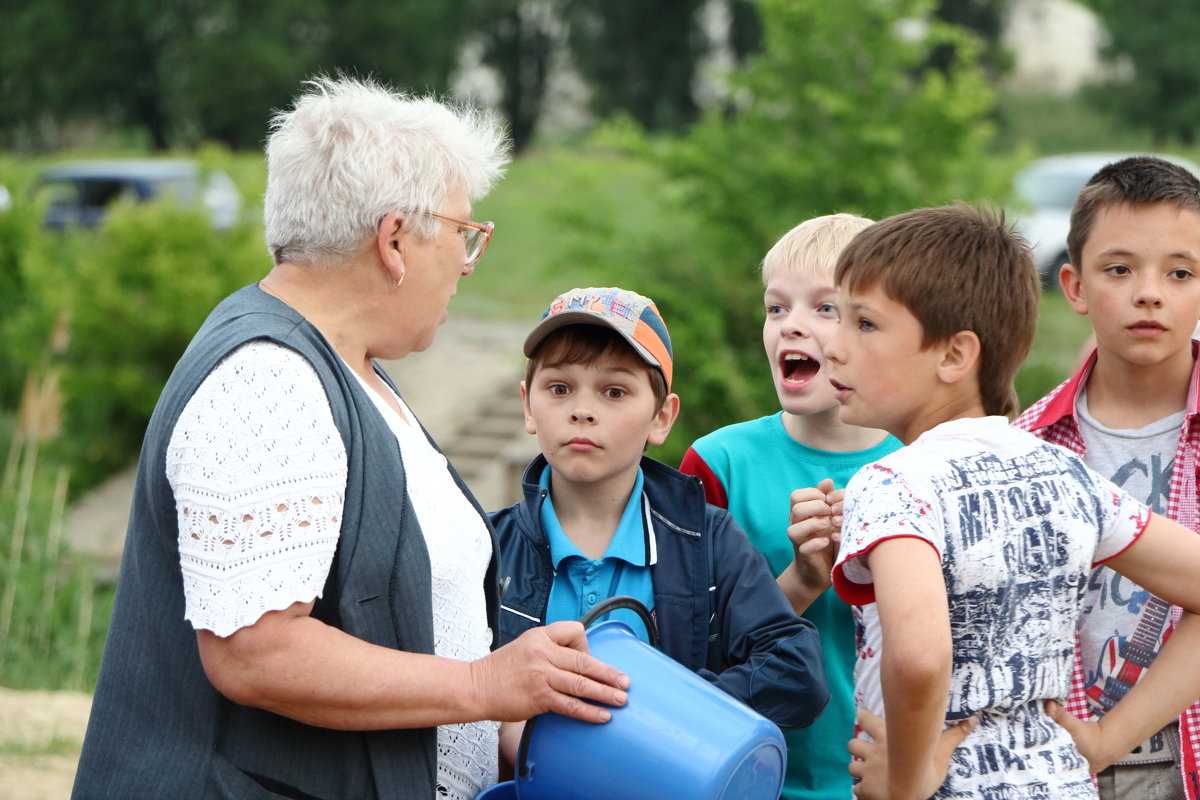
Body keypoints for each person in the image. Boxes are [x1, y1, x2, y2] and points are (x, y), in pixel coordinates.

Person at [72, 77, 630, 800]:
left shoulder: (343, 366)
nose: (466, 264)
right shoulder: (265, 380)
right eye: (465, 234)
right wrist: (479, 685)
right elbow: (255, 653)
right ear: (395, 239)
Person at [824, 204, 1200, 800]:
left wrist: (908, 779)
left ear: (954, 356)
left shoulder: (893, 483)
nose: (832, 345)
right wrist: (1103, 740)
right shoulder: (1068, 473)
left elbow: (920, 656)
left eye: (864, 324)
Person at [490, 286, 830, 765]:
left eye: (614, 391)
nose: (582, 410)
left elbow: (796, 672)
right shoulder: (484, 546)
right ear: (528, 406)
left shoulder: (709, 540)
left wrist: (655, 711)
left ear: (662, 417)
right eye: (559, 388)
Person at [678, 214, 901, 800]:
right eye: (776, 308)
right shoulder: (716, 463)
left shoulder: (925, 462)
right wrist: (803, 580)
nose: (791, 327)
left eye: (824, 309)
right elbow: (691, 654)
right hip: (747, 781)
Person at [1016, 155, 1200, 799]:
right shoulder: (1027, 445)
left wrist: (1109, 735)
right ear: (1075, 287)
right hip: (1060, 764)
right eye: (1119, 269)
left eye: (1180, 273)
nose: (1149, 292)